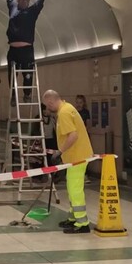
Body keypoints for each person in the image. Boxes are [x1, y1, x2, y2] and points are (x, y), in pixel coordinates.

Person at [42, 90, 94, 234]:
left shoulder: (64, 113)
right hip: (75, 157)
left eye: (47, 105)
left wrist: (60, 151)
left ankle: (82, 223)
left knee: (75, 190)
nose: (47, 109)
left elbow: (73, 135)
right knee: (72, 188)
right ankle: (73, 218)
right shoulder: (68, 108)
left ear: (51, 102)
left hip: (77, 157)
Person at [6, 0, 45, 105]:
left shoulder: (32, 11)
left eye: (25, 0)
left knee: (27, 74)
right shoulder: (13, 8)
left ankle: (27, 94)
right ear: (18, 0)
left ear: (29, 1)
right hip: (13, 50)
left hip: (27, 50)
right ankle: (13, 96)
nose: (23, 1)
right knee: (12, 75)